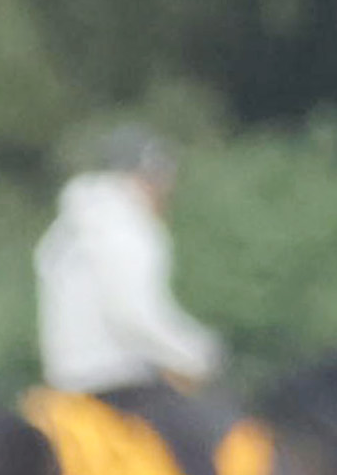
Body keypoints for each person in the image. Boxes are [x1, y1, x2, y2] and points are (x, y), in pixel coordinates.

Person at [33, 128, 218, 398]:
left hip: (65, 386)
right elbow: (134, 315)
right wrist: (198, 354)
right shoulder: (127, 226)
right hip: (116, 386)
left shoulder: (71, 224)